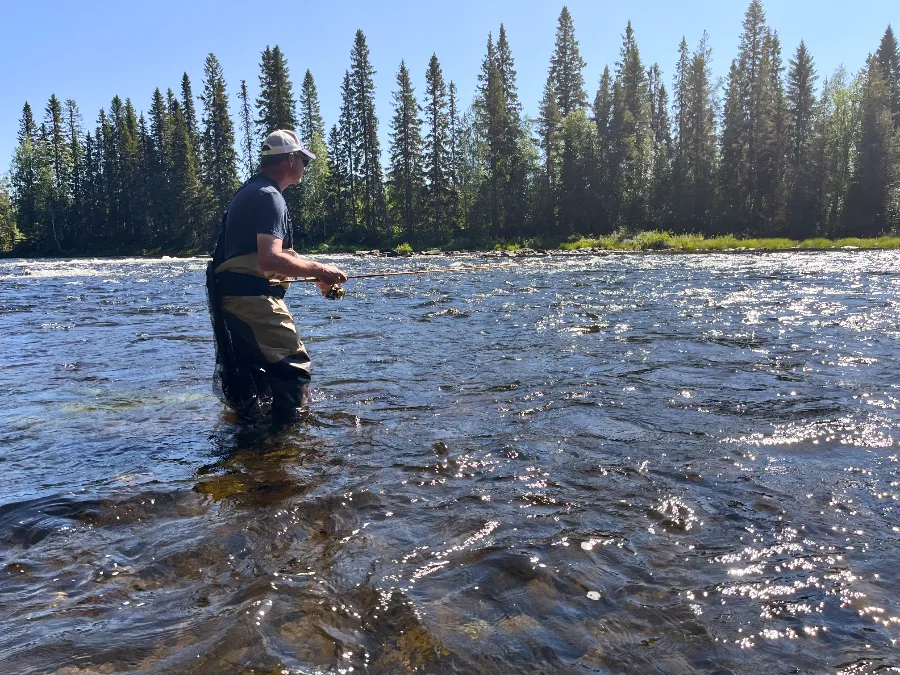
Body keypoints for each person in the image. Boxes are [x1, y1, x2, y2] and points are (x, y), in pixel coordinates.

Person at [209, 129, 347, 421]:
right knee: (293, 367)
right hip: (252, 302)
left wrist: (315, 278)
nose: (304, 167)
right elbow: (270, 259)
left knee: (262, 371)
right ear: (291, 159)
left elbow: (269, 258)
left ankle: (257, 441)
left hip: (239, 299)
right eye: (304, 161)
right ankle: (287, 440)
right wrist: (321, 269)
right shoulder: (269, 196)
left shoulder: (254, 191)